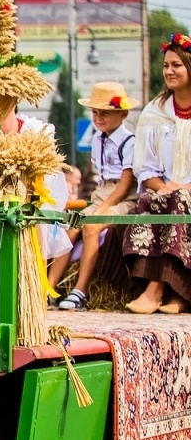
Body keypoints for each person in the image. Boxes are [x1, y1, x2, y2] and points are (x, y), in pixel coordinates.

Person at [123, 35, 191, 314]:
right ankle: (174, 294)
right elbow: (145, 166)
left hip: (187, 192)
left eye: (177, 65)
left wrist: (185, 187)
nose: (169, 71)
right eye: (165, 65)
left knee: (180, 201)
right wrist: (162, 186)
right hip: (166, 189)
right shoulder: (155, 111)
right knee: (149, 202)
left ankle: (156, 291)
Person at [56, 83, 139, 311]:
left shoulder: (129, 142)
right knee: (70, 227)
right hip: (102, 194)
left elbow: (125, 185)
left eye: (105, 113)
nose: (98, 118)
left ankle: (80, 290)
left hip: (124, 199)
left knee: (91, 227)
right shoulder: (97, 139)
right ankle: (50, 287)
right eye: (95, 112)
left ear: (122, 114)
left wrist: (101, 210)